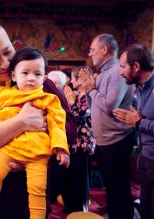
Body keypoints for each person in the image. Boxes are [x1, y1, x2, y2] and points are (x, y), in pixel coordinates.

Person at [0, 21, 77, 218]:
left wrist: (28, 152)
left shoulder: (38, 81)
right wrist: (22, 122)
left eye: (8, 51)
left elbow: (68, 126)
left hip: (30, 180)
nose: (5, 63)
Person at [0, 47, 70, 219]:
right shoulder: (7, 95)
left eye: (37, 74)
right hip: (10, 148)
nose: (31, 78)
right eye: (25, 73)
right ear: (14, 76)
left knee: (37, 189)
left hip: (38, 152)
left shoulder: (49, 99)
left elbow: (58, 124)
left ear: (44, 78)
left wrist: (61, 149)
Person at [78, 33, 134, 219]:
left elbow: (110, 106)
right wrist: (89, 88)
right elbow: (94, 105)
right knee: (110, 184)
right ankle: (114, 213)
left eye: (93, 50)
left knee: (119, 186)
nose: (91, 54)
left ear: (104, 49)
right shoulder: (103, 73)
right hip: (104, 139)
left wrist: (92, 89)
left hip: (117, 139)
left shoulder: (117, 72)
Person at [113, 44, 154, 219]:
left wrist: (139, 122)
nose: (120, 72)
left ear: (136, 66)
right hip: (146, 156)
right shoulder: (140, 85)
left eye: (123, 66)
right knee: (146, 206)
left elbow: (142, 121)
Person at [63, 66, 96, 212]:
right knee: (73, 178)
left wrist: (70, 102)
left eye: (73, 77)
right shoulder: (77, 94)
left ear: (80, 80)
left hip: (84, 143)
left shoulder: (87, 96)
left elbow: (78, 117)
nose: (70, 81)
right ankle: (72, 208)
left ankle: (80, 210)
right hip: (75, 143)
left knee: (82, 180)